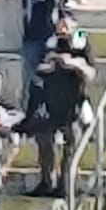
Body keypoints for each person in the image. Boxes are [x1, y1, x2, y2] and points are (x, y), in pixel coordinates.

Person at [6, 0, 85, 110]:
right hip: (32, 38)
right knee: (29, 83)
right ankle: (29, 117)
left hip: (56, 40)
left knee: (54, 83)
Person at [29, 12, 95, 199]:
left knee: (71, 142)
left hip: (73, 102)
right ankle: (46, 180)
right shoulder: (51, 43)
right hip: (50, 100)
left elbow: (90, 73)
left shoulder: (81, 43)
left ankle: (67, 184)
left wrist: (73, 64)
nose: (61, 29)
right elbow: (38, 69)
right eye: (59, 25)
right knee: (43, 138)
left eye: (65, 25)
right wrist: (52, 61)